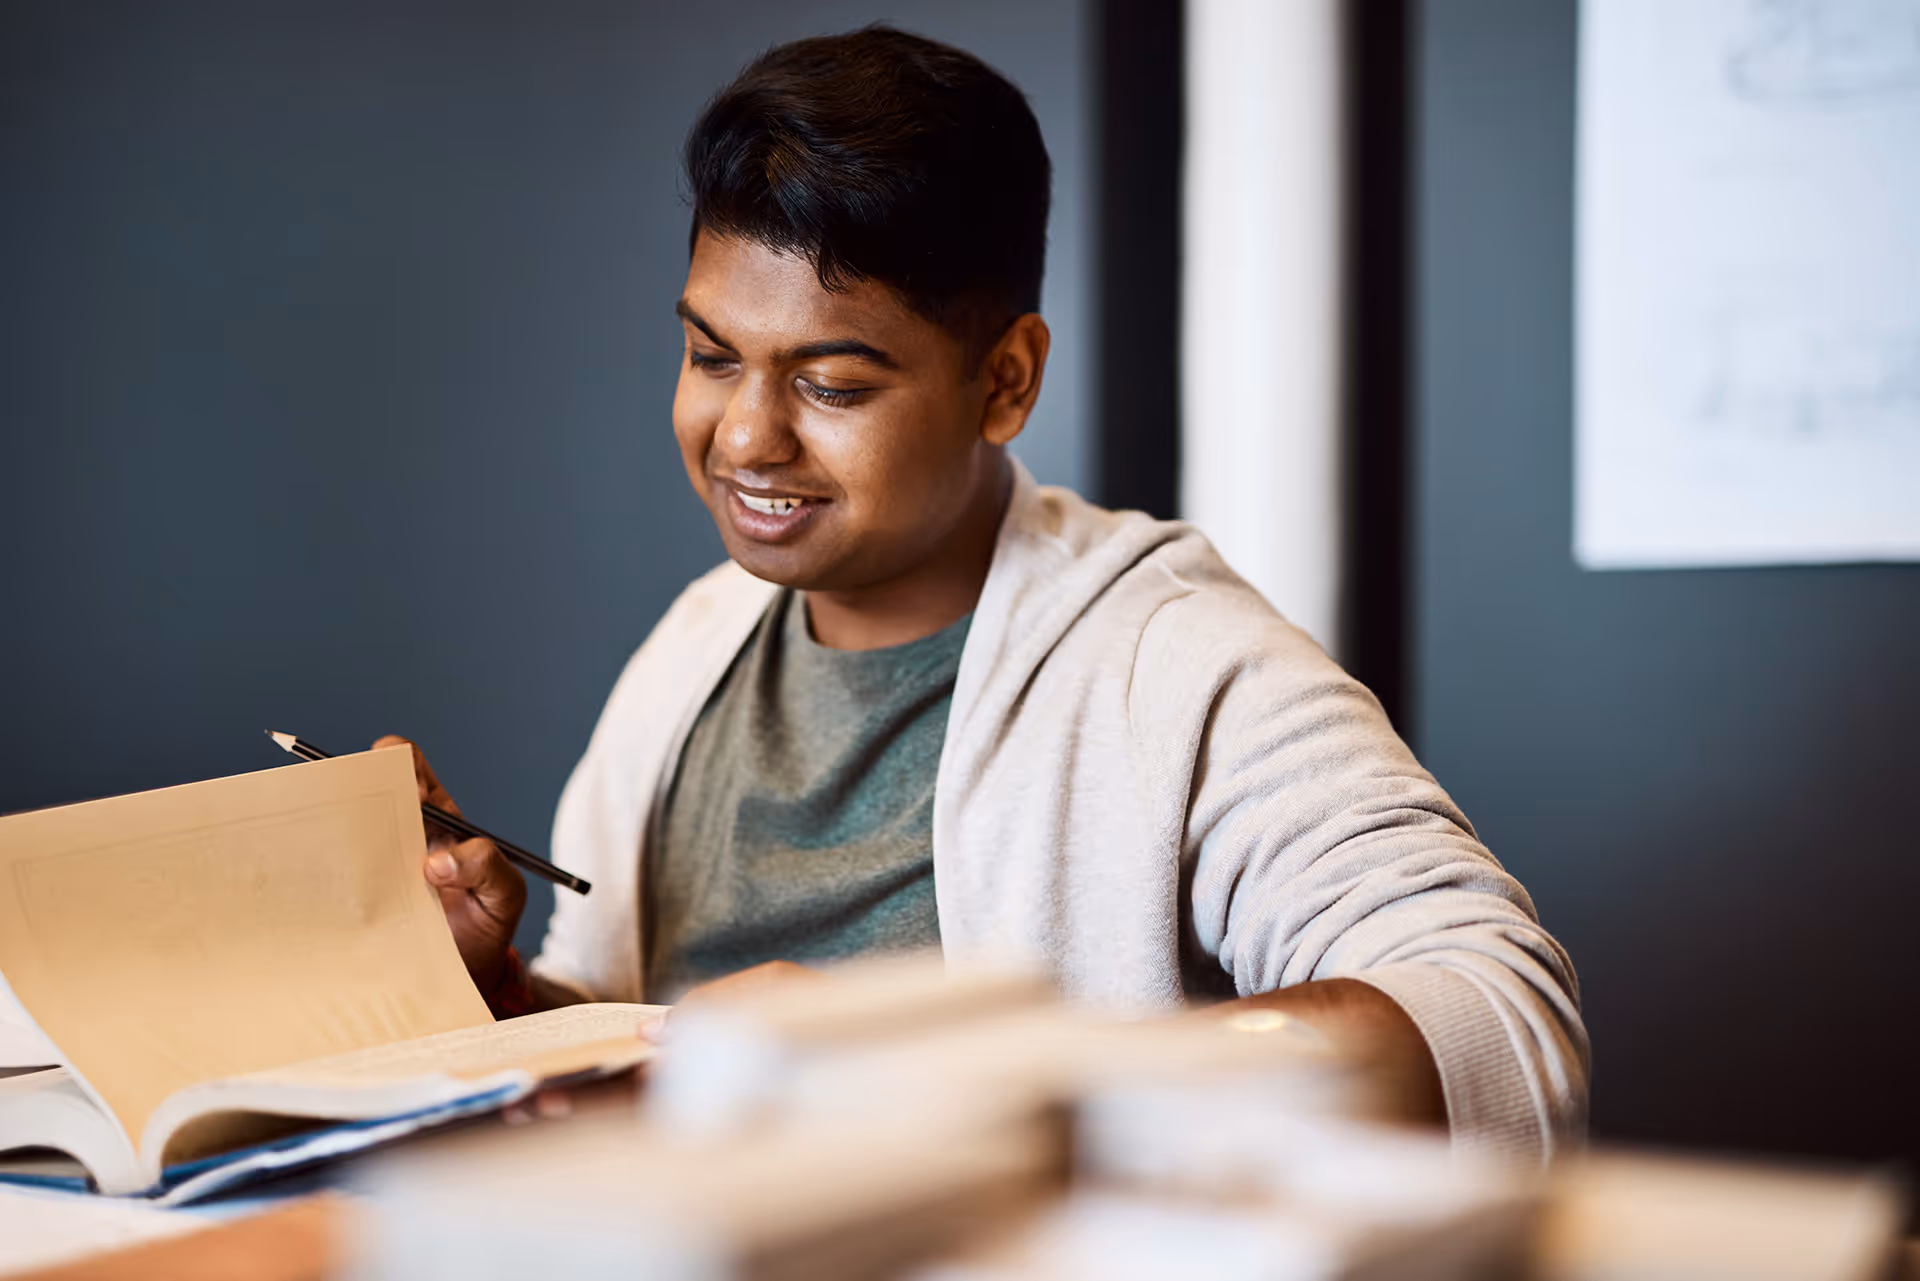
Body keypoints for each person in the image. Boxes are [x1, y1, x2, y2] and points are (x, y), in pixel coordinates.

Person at [383, 25, 1587, 1160]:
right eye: (711, 356)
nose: (746, 436)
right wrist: (497, 992)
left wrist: (961, 1077)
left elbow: (1492, 1010)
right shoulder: (694, 649)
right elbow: (630, 1047)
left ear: (1005, 382)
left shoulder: (1172, 660)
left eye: (834, 385)